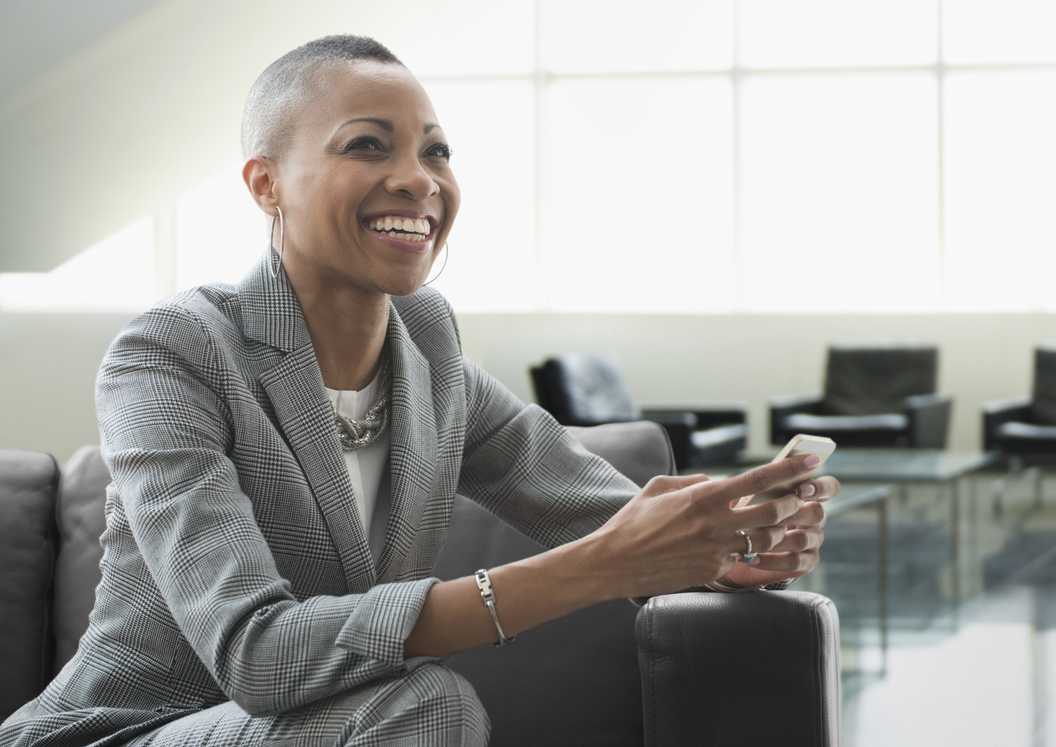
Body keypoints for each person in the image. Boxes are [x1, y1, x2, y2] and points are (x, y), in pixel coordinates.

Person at [0, 34, 837, 746]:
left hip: (332, 729)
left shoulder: (429, 353)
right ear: (265, 184)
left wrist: (724, 545)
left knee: (415, 704)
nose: (418, 179)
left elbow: (604, 516)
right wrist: (596, 567)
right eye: (368, 145)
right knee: (423, 704)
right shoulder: (172, 353)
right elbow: (259, 654)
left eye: (435, 151)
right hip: (131, 730)